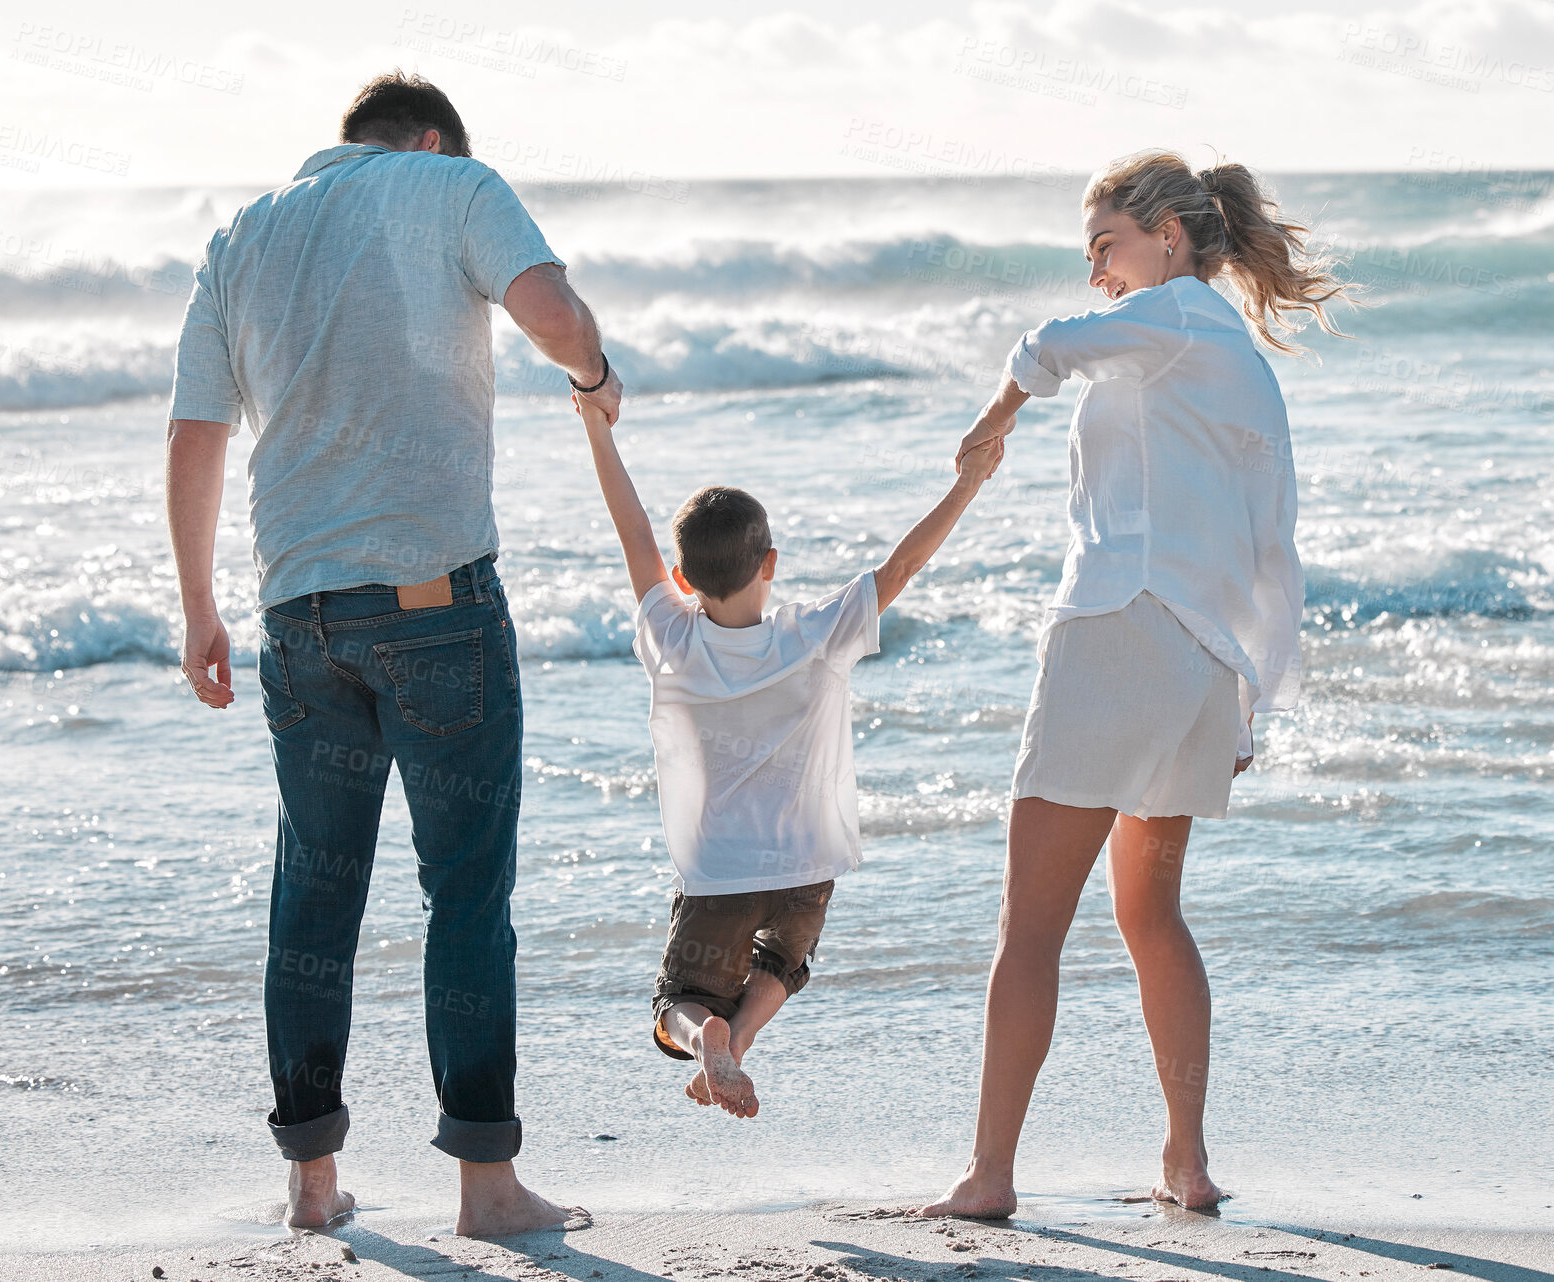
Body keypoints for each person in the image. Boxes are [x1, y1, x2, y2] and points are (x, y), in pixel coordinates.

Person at [164, 70, 623, 1235]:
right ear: (425, 140)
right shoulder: (450, 182)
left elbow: (194, 429)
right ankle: (486, 1186)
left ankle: (312, 1185)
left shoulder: (243, 234)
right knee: (465, 892)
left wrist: (196, 607)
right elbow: (554, 312)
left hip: (296, 612)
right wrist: (593, 377)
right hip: (437, 607)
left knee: (312, 897)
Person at [918, 149, 1364, 1217]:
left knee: (1029, 929)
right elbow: (1272, 548)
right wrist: (1246, 690)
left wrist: (991, 420)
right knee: (1151, 915)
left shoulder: (1165, 323)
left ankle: (987, 1177)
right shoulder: (1239, 361)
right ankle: (1184, 1161)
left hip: (1117, 634)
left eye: (1102, 246)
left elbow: (1043, 348)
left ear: (1167, 236)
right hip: (1200, 668)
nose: (1094, 273)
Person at [571, 393, 1003, 1117]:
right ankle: (732, 1045)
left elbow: (632, 531)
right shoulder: (812, 637)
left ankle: (706, 1035)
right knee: (783, 962)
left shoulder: (669, 642)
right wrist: (966, 482)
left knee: (675, 1002)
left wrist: (595, 428)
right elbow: (902, 566)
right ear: (769, 561)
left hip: (718, 871)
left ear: (682, 579)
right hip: (807, 866)